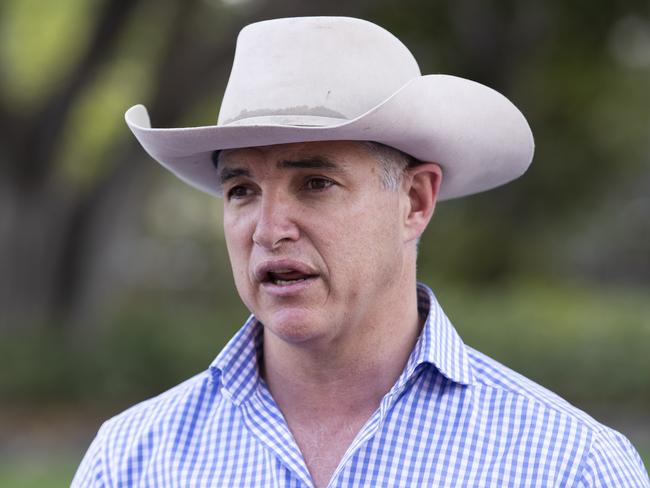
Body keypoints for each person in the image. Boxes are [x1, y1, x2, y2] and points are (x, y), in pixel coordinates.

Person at [72, 16, 649, 487]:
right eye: (242, 190)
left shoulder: (568, 465)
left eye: (315, 184)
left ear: (416, 201)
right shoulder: (132, 461)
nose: (269, 229)